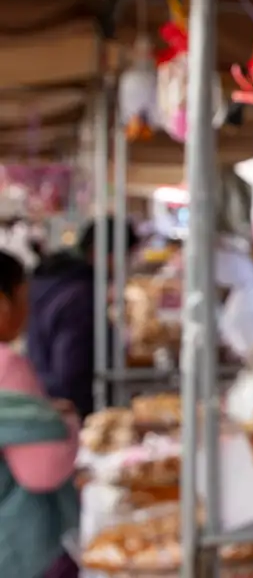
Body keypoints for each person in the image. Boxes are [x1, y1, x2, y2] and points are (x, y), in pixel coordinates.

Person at [0, 250, 81, 578]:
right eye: (23, 298)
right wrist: (66, 425)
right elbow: (41, 470)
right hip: (21, 547)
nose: (28, 310)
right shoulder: (8, 367)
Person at [26, 218, 136, 420]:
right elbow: (72, 369)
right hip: (68, 411)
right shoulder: (82, 295)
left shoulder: (58, 282)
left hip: (46, 398)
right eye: (125, 256)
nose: (127, 265)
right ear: (101, 252)